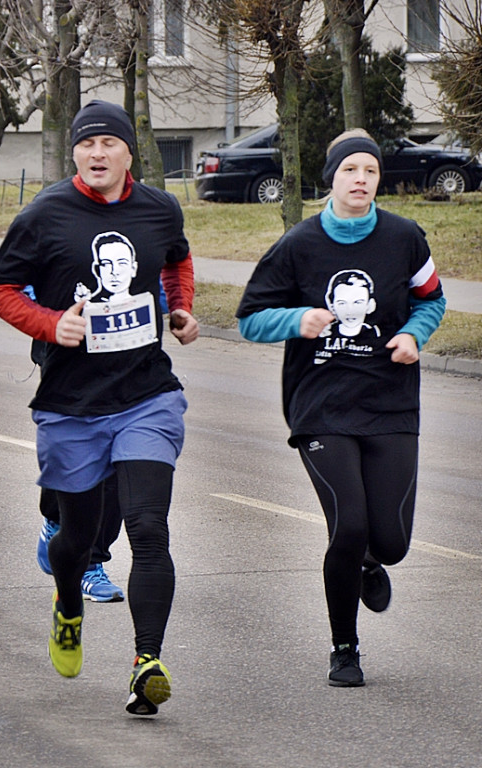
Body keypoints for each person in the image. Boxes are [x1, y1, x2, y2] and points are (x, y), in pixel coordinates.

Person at [0, 100, 199, 716]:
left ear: (130, 151)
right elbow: (0, 291)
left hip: (146, 398)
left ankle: (146, 662)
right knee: (77, 540)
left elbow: (177, 260)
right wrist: (53, 325)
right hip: (71, 406)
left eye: (110, 142)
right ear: (75, 152)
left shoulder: (159, 208)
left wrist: (178, 307)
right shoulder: (45, 214)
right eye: (87, 144)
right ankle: (68, 602)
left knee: (149, 530)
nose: (98, 153)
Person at [236, 129, 446, 687]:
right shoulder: (298, 245)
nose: (360, 179)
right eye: (350, 169)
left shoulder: (404, 237)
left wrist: (414, 335)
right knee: (347, 525)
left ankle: (372, 563)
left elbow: (433, 299)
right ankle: (344, 648)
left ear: (379, 178)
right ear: (331, 176)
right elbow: (250, 318)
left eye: (370, 171)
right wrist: (295, 320)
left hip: (390, 402)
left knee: (393, 543)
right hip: (321, 406)